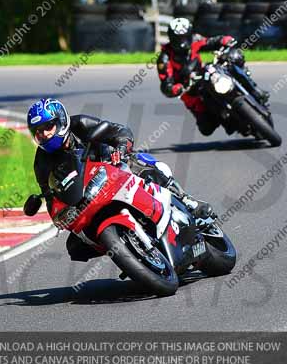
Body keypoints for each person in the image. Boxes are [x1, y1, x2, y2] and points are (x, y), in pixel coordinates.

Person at [26, 97, 214, 262]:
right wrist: (59, 215)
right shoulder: (41, 162)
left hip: (115, 168)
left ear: (61, 122)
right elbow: (49, 196)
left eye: (48, 127)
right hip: (89, 194)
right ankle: (130, 250)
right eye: (38, 132)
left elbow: (120, 132)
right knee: (75, 246)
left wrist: (121, 149)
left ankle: (188, 201)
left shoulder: (81, 124)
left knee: (142, 165)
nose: (44, 135)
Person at [157, 17, 268, 136]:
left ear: (189, 34)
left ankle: (255, 90)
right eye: (177, 38)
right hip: (190, 90)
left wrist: (224, 40)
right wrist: (175, 88)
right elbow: (166, 84)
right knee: (206, 128)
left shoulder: (195, 40)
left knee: (234, 57)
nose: (182, 42)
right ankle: (228, 120)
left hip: (206, 74)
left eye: (184, 37)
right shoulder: (165, 58)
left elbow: (210, 41)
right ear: (171, 38)